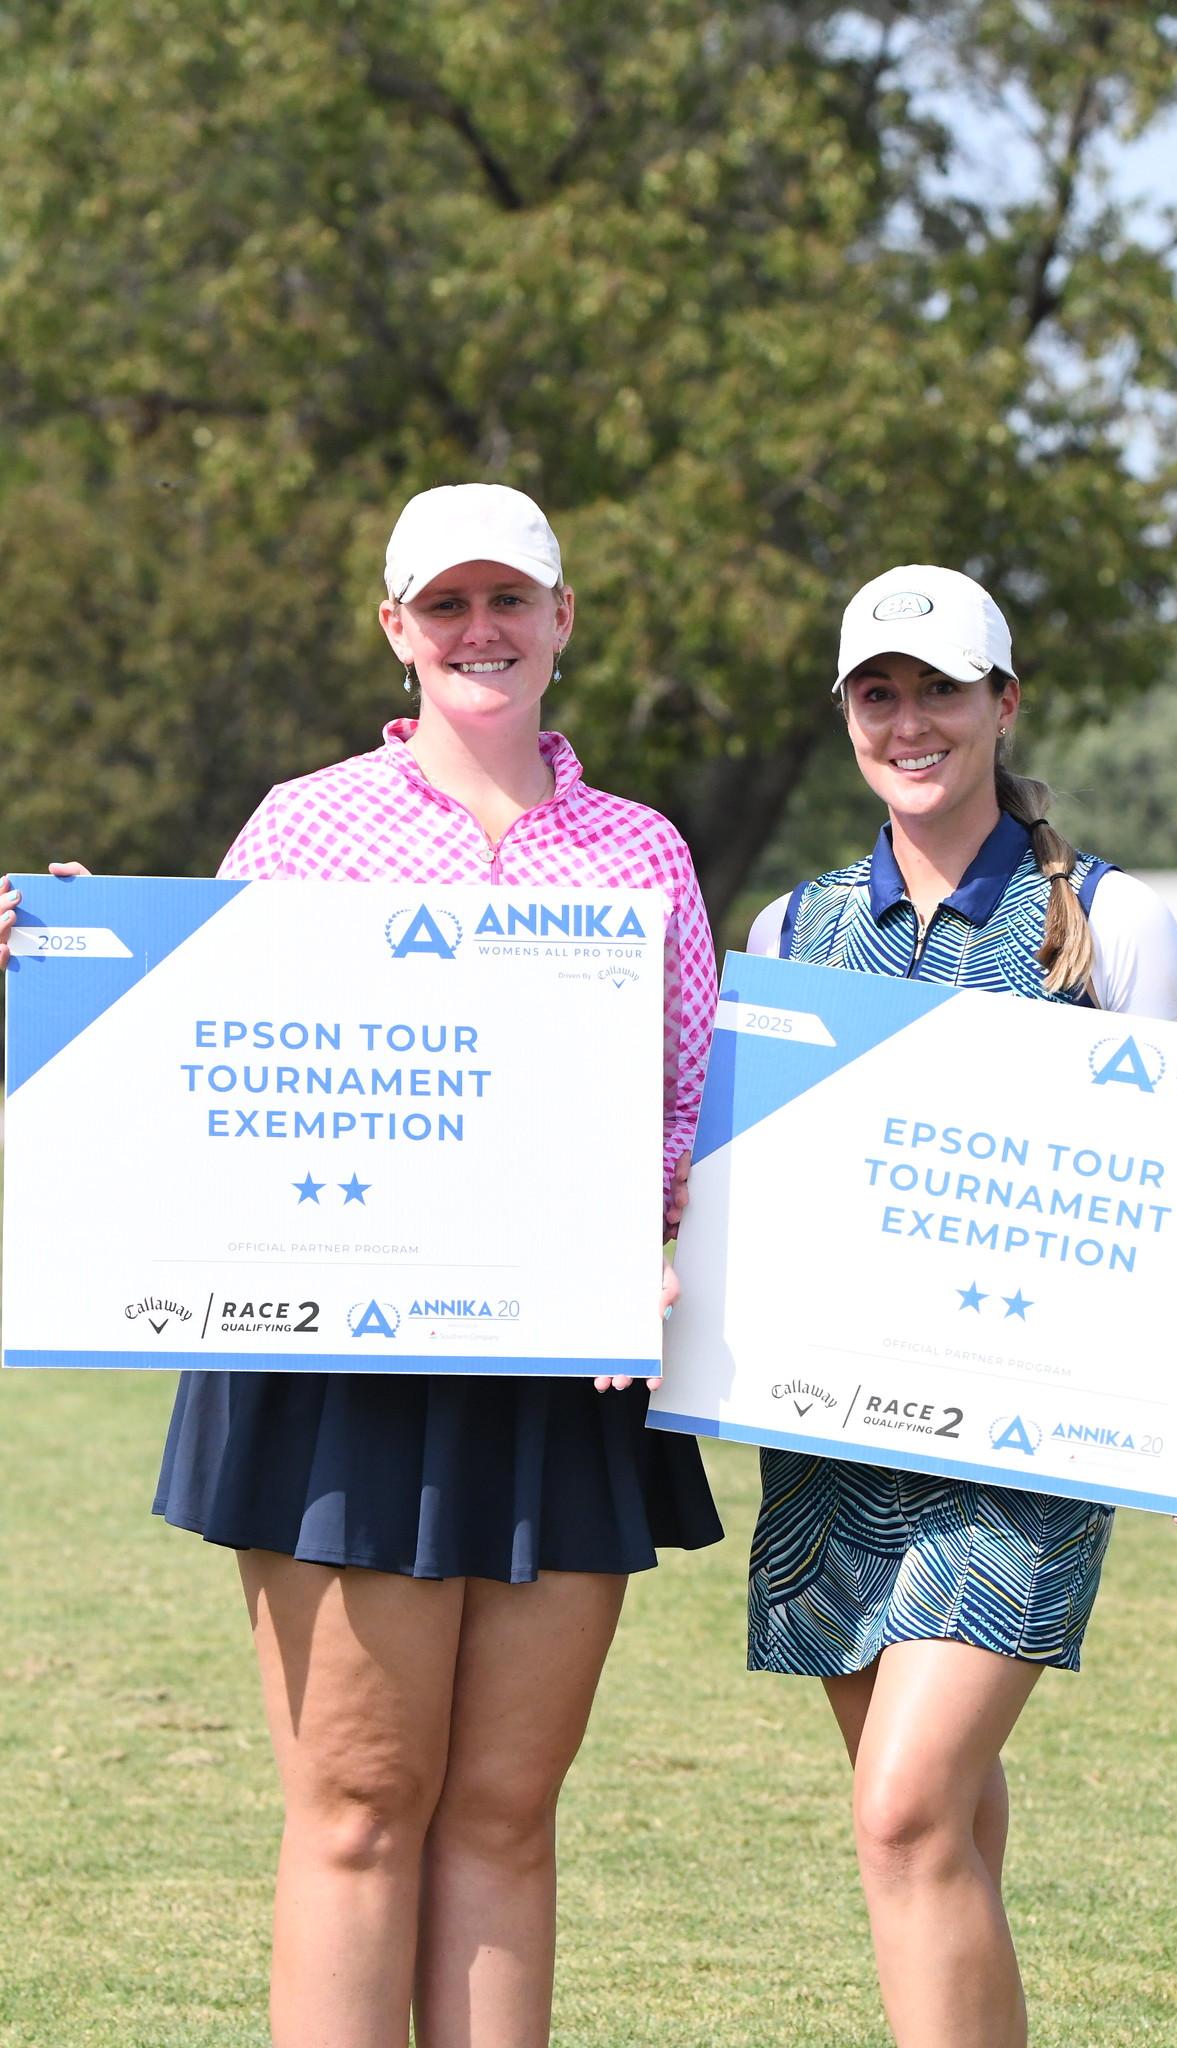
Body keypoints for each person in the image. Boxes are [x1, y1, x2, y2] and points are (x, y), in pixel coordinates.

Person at [0, 482, 723, 2048]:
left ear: (560, 624)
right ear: (395, 630)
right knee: (354, 1808)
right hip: (339, 1372)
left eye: (508, 602)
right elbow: (182, 1067)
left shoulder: (640, 852)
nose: (480, 632)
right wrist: (47, 965)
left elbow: (684, 1112)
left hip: (559, 1373)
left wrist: (639, 1244)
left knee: (504, 1818)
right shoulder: (301, 826)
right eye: (445, 605)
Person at [716, 563, 1177, 2048]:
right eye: (879, 692)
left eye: (939, 689)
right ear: (846, 712)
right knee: (945, 1838)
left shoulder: (1114, 923)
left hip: (1025, 1451)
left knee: (903, 1814)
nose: (908, 720)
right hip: (836, 1439)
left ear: (1004, 702)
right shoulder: (789, 933)